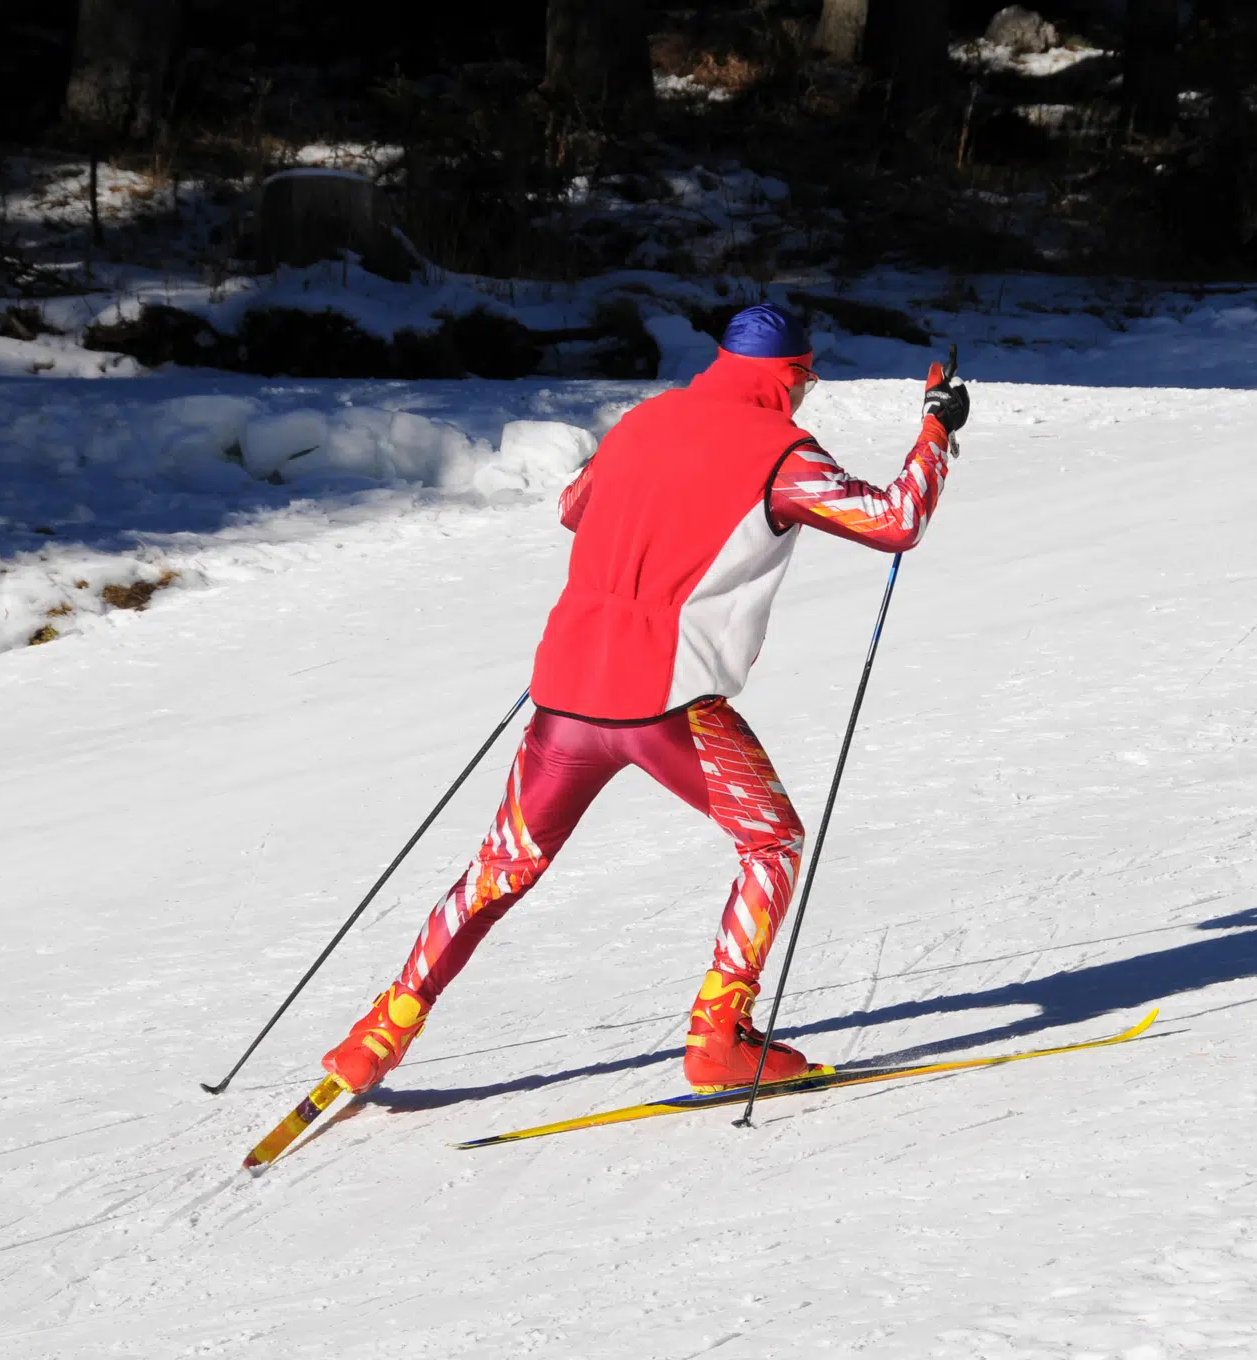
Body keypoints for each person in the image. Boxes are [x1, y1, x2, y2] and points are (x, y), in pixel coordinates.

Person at [321, 303, 971, 1095]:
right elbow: (895, 522)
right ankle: (719, 1038)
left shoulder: (642, 421)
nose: (806, 394)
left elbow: (573, 508)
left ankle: (378, 1034)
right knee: (772, 844)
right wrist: (937, 428)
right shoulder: (785, 455)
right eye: (807, 380)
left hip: (565, 694)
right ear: (792, 375)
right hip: (669, 705)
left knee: (501, 870)